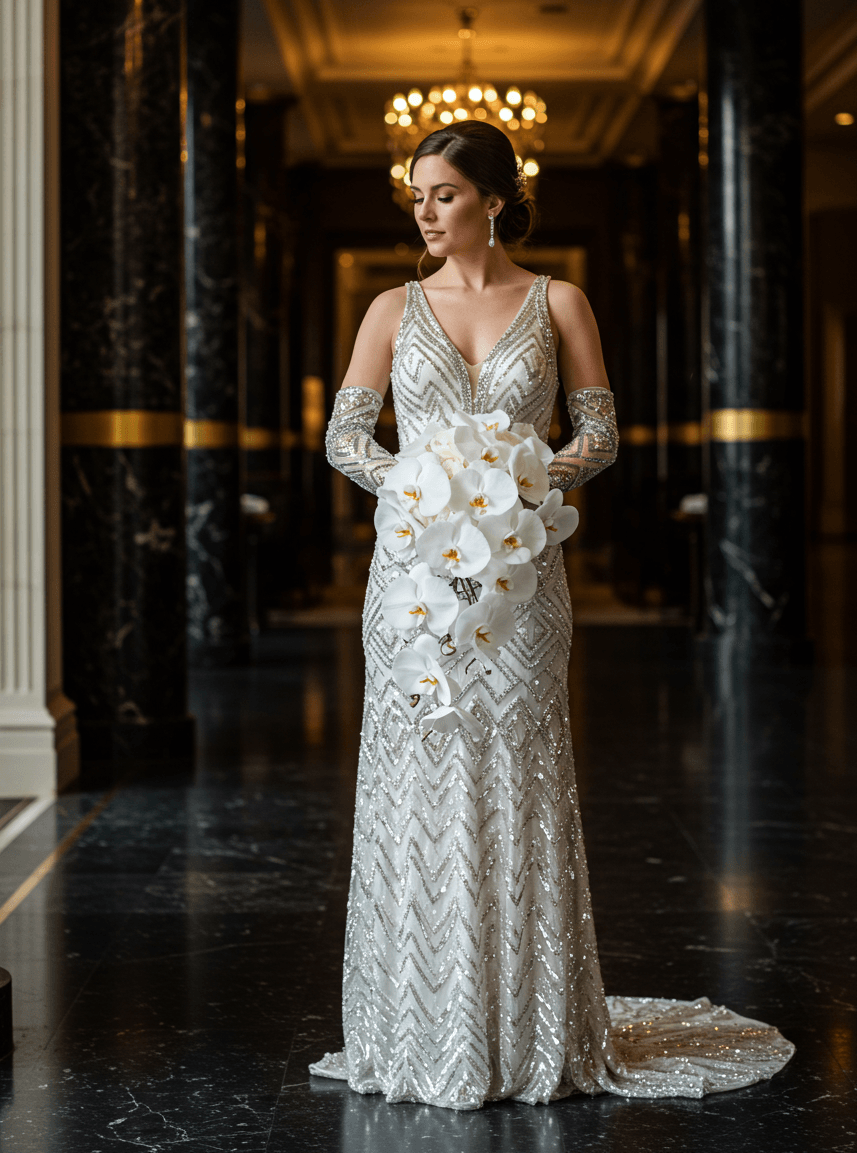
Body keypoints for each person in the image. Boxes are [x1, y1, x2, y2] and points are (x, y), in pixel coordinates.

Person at [311, 120, 794, 1109]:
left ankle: (526, 1027)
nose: (424, 209)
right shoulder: (387, 308)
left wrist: (522, 480)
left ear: (494, 197)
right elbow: (343, 436)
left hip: (524, 579)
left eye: (443, 193)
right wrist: (419, 483)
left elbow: (600, 431)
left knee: (517, 771)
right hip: (413, 581)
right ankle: (419, 1026)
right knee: (419, 774)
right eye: (416, 195)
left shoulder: (556, 299)